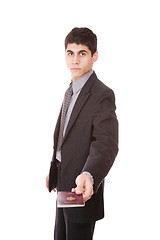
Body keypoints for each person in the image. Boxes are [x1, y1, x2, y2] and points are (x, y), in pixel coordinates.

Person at [46, 27, 118, 240]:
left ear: (95, 56)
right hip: (63, 187)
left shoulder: (102, 95)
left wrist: (89, 175)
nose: (75, 60)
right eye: (70, 53)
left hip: (81, 189)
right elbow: (66, 137)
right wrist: (56, 167)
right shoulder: (71, 90)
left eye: (82, 53)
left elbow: (106, 143)